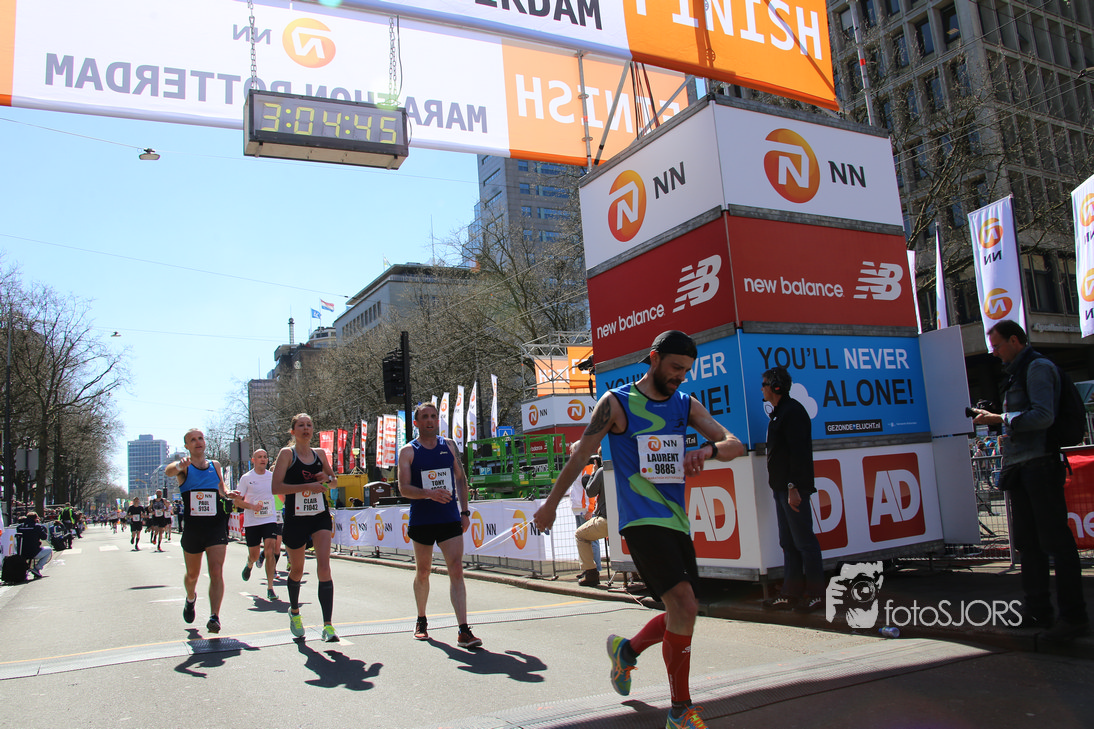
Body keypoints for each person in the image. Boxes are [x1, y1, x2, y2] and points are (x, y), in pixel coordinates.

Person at [533, 330, 746, 729]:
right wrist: (550, 504)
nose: (680, 376)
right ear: (654, 358)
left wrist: (708, 450)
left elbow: (735, 444)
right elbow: (581, 455)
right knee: (683, 606)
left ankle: (626, 652)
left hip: (676, 521)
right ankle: (680, 711)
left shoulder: (686, 404)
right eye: (675, 367)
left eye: (686, 370)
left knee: (683, 611)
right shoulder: (615, 403)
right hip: (640, 521)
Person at [972, 319, 1090, 642]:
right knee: (1028, 544)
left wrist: (1001, 418)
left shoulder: (1037, 368)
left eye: (997, 345)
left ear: (1015, 340)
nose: (994, 352)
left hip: (1040, 464)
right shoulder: (1017, 372)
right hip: (1023, 466)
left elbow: (1043, 416)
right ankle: (1038, 610)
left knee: (1055, 542)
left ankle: (1073, 616)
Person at [399, 402, 481, 648]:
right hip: (422, 519)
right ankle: (421, 619)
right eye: (425, 417)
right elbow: (403, 488)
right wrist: (428, 494)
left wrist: (464, 512)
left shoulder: (449, 445)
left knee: (456, 569)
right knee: (423, 571)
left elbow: (461, 479)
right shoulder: (408, 451)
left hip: (449, 518)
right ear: (416, 423)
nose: (430, 420)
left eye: (433, 416)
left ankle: (463, 630)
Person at [759, 366, 824, 613]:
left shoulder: (793, 412)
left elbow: (798, 454)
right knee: (788, 542)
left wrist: (793, 487)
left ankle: (816, 595)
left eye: (764, 384)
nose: (762, 389)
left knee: (805, 542)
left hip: (791, 489)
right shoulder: (779, 413)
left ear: (776, 386)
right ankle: (790, 594)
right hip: (780, 489)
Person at [271, 413, 339, 643]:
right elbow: (276, 488)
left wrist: (326, 478)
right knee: (297, 570)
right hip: (295, 518)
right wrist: (307, 485)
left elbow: (334, 481)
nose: (306, 428)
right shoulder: (286, 454)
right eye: (301, 425)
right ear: (293, 431)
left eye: (309, 425)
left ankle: (328, 625)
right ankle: (295, 612)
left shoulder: (320, 453)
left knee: (324, 566)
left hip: (319, 516)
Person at [165, 428, 240, 634]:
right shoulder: (185, 467)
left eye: (200, 438)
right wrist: (178, 465)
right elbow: (169, 471)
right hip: (194, 529)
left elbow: (222, 489)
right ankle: (191, 598)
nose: (198, 442)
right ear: (187, 446)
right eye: (193, 440)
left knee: (216, 571)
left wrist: (229, 494)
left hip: (215, 525)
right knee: (192, 575)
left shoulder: (215, 465)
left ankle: (214, 616)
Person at [234, 449, 283, 602]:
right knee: (254, 555)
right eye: (259, 457)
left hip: (269, 519)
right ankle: (250, 564)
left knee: (270, 551)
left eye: (265, 457)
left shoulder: (272, 476)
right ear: (253, 460)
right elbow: (237, 501)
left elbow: (281, 493)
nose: (263, 459)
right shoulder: (246, 478)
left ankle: (270, 588)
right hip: (252, 521)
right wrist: (252, 506)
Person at [569, 442, 601, 586]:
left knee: (591, 540)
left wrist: (590, 509)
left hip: (585, 509)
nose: (571, 454)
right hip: (578, 508)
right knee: (582, 540)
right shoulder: (576, 467)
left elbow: (590, 490)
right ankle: (587, 569)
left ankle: (595, 569)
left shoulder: (587, 467)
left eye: (572, 451)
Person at [574, 458, 609, 587]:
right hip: (627, 518)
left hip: (606, 518)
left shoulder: (601, 471)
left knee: (580, 535)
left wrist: (594, 473)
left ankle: (591, 573)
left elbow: (590, 492)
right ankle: (635, 574)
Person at [16, 512, 52, 578]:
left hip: (21, 552)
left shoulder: (20, 527)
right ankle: (37, 568)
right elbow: (44, 537)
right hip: (34, 552)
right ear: (35, 518)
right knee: (49, 549)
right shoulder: (37, 527)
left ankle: (26, 571)